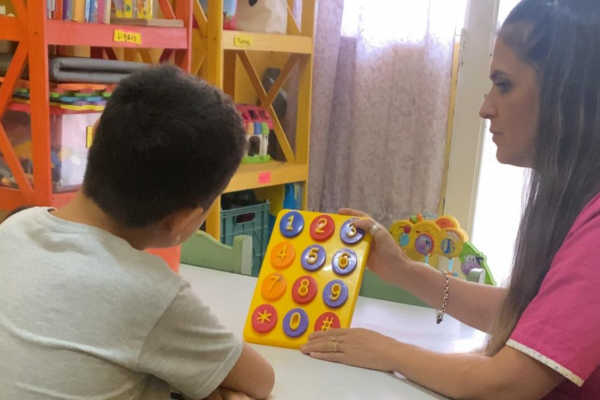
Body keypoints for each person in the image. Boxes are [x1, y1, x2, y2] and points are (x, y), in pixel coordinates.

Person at [302, 0, 600, 399]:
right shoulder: (578, 204)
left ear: (569, 93)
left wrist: (389, 352)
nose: (485, 107)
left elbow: (508, 384)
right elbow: (527, 318)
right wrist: (403, 270)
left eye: (504, 85)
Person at [0, 65, 274, 400]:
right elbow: (261, 381)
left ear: (96, 132)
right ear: (183, 221)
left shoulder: (13, 228)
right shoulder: (154, 294)